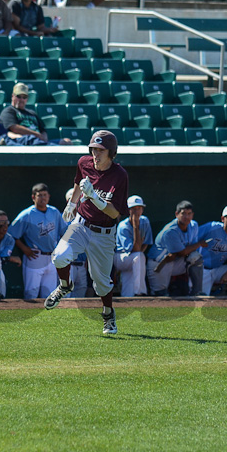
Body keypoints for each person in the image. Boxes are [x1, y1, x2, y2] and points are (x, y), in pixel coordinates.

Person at [46, 130, 129, 335]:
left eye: (101, 150)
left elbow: (115, 213)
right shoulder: (84, 162)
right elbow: (78, 182)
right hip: (81, 224)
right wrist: (72, 203)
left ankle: (108, 314)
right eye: (93, 149)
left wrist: (94, 197)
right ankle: (65, 285)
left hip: (104, 232)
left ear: (112, 153)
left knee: (101, 283)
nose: (95, 154)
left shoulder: (120, 175)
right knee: (59, 256)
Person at [9, 183, 66, 300]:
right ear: (33, 197)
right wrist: (24, 248)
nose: (43, 198)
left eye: (45, 195)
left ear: (49, 196)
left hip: (52, 256)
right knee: (31, 293)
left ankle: (48, 318)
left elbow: (64, 232)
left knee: (50, 294)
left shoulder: (54, 212)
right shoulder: (27, 214)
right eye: (39, 195)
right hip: (35, 256)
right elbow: (11, 234)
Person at [146, 200, 206, 297]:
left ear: (192, 215)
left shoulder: (194, 225)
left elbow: (191, 249)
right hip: (159, 264)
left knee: (196, 257)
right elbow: (181, 252)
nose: (186, 217)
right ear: (177, 214)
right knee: (160, 295)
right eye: (183, 214)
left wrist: (196, 246)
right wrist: (200, 244)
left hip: (176, 262)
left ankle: (197, 292)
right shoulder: (171, 230)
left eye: (189, 213)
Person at [0, 83, 70, 146]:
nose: (21, 100)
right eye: (19, 96)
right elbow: (14, 128)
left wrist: (43, 138)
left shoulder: (32, 113)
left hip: (40, 142)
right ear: (12, 96)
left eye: (24, 97)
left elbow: (43, 131)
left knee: (67, 142)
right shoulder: (8, 111)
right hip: (25, 142)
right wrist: (35, 134)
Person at [113, 195, 153, 297]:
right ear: (128, 210)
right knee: (139, 257)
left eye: (138, 208)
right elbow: (135, 249)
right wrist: (135, 226)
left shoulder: (145, 221)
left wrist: (139, 251)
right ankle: (140, 292)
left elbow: (146, 244)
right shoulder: (123, 226)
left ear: (142, 209)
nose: (136, 211)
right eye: (133, 209)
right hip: (121, 257)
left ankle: (128, 301)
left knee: (128, 289)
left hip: (134, 258)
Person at [64, 188, 88, 298]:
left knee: (81, 294)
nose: (77, 203)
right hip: (69, 264)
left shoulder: (85, 219)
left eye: (79, 200)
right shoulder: (63, 218)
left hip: (82, 264)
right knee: (66, 295)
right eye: (73, 200)